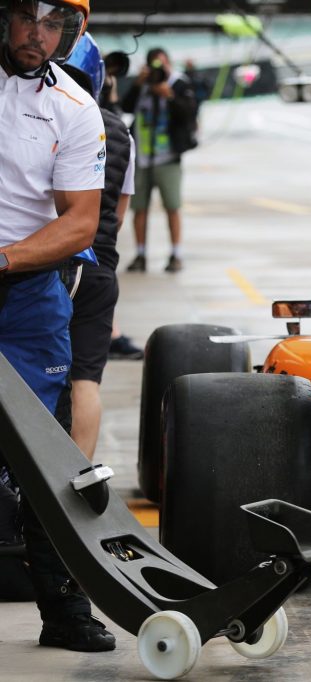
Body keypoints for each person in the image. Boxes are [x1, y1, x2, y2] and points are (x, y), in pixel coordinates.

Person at [0, 0, 115, 650]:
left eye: (54, 25)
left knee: (50, 455)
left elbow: (78, 221)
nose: (37, 35)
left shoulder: (74, 109)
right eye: (26, 17)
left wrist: (5, 257)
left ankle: (64, 612)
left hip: (27, 292)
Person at [61, 32, 135, 459]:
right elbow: (119, 215)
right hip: (99, 265)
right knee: (85, 380)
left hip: (42, 264)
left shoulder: (42, 111)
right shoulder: (122, 131)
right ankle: (74, 485)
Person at [121, 47, 197, 273]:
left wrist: (169, 95)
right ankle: (140, 254)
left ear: (169, 65)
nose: (158, 70)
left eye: (162, 65)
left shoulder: (178, 84)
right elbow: (125, 107)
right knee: (139, 209)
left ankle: (176, 253)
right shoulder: (142, 85)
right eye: (154, 65)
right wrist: (138, 84)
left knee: (172, 206)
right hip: (143, 158)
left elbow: (189, 113)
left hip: (169, 157)